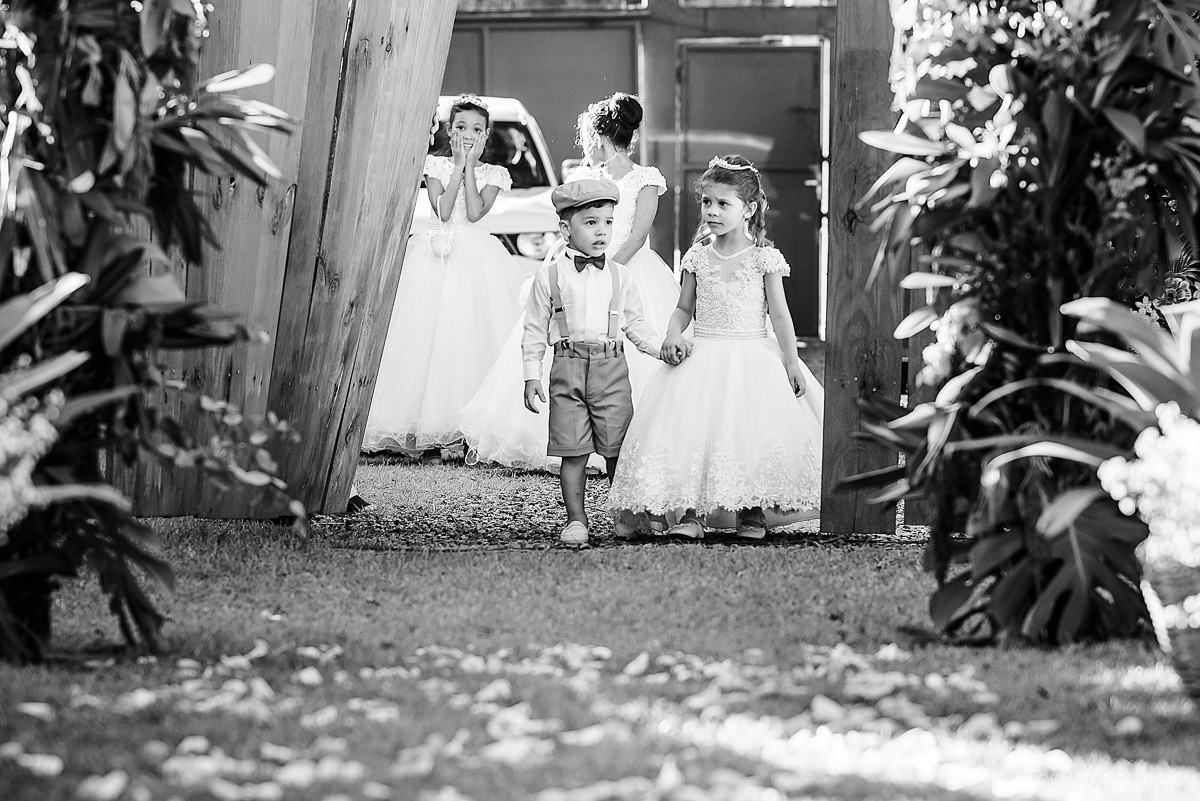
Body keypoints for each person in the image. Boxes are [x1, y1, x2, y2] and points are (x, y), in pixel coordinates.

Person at [462, 93, 680, 473]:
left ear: (598, 137)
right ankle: (576, 438)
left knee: (630, 340)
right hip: (579, 267)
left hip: (628, 270)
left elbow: (637, 237)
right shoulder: (583, 178)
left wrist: (607, 271)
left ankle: (625, 440)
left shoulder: (646, 179)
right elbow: (565, 232)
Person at [609, 155, 823, 539]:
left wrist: (792, 363)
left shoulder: (764, 258)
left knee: (750, 430)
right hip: (702, 351)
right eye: (707, 202)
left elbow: (780, 316)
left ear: (749, 209)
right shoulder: (696, 257)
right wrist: (673, 334)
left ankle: (751, 510)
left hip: (752, 355)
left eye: (724, 204)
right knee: (692, 429)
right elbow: (682, 308)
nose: (712, 211)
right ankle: (692, 513)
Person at [362, 94, 523, 454]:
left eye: (477, 129)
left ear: (486, 136)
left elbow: (477, 211)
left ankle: (472, 430)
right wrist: (456, 167)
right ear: (450, 131)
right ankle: (427, 428)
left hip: (477, 261)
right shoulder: (434, 167)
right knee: (429, 336)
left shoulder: (494, 174)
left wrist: (469, 167)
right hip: (437, 254)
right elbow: (444, 211)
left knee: (472, 335)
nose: (468, 134)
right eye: (462, 127)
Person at [522, 178, 670, 546]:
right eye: (591, 223)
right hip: (566, 369)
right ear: (565, 228)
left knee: (618, 449)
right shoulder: (550, 275)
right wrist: (530, 376)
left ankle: (625, 515)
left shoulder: (621, 274)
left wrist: (661, 348)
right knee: (573, 452)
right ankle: (577, 520)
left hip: (611, 369)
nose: (602, 231)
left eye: (607, 222)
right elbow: (534, 330)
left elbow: (635, 324)